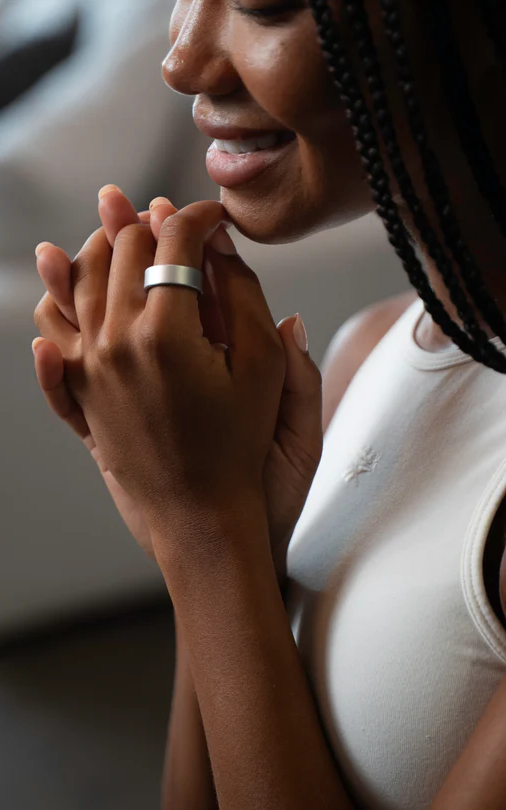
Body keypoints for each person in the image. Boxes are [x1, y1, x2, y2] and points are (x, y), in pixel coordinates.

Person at [31, 0, 506, 808]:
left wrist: (205, 529)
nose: (180, 58)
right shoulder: (367, 354)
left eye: (260, 5)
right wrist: (218, 529)